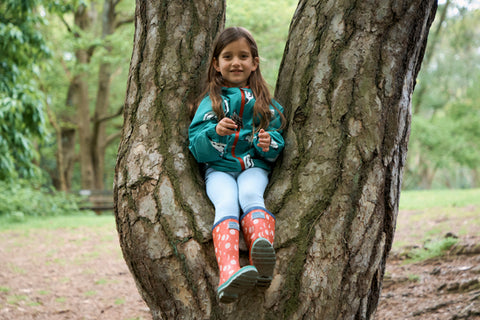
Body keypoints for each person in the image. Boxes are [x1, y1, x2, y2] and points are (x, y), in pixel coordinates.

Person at [188, 27, 286, 303]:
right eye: (228, 56)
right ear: (216, 65)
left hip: (253, 166)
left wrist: (267, 143)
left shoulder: (266, 104)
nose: (236, 62)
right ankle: (229, 270)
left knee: (250, 195)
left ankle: (260, 253)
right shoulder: (211, 103)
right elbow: (195, 143)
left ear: (255, 63)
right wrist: (214, 132)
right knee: (227, 201)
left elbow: (277, 139)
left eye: (244, 56)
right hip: (218, 169)